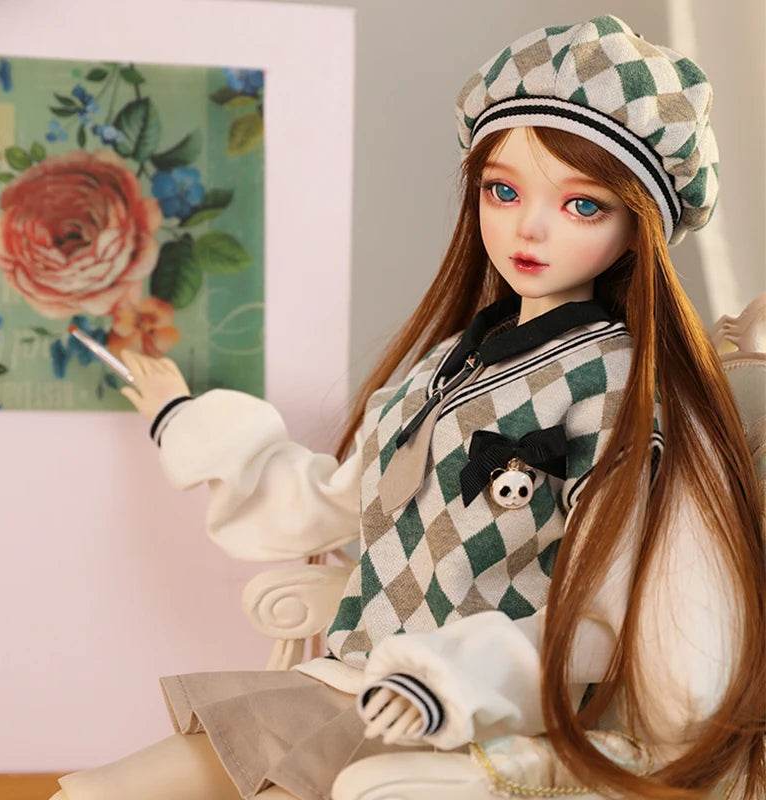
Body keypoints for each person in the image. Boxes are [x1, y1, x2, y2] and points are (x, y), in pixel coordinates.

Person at [50, 14, 765, 800]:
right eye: (502, 190)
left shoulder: (618, 391)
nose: (528, 228)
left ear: (637, 227)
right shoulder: (446, 363)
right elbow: (338, 498)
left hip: (473, 723)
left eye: (582, 205)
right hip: (352, 686)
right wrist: (183, 420)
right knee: (91, 790)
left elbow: (600, 619)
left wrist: (451, 680)